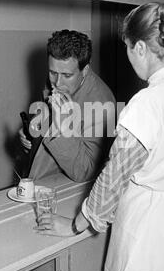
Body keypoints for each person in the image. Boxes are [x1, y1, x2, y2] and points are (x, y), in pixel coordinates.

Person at [36, 3, 164, 271]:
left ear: (140, 48)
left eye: (127, 48)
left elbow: (114, 176)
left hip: (153, 234)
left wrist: (76, 224)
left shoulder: (148, 103)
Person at [19, 30, 116, 183]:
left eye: (67, 75)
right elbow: (44, 121)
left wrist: (62, 125)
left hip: (62, 192)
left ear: (85, 70)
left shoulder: (102, 104)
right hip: (35, 178)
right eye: (52, 72)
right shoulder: (59, 77)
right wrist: (30, 134)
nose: (57, 83)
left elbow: (85, 171)